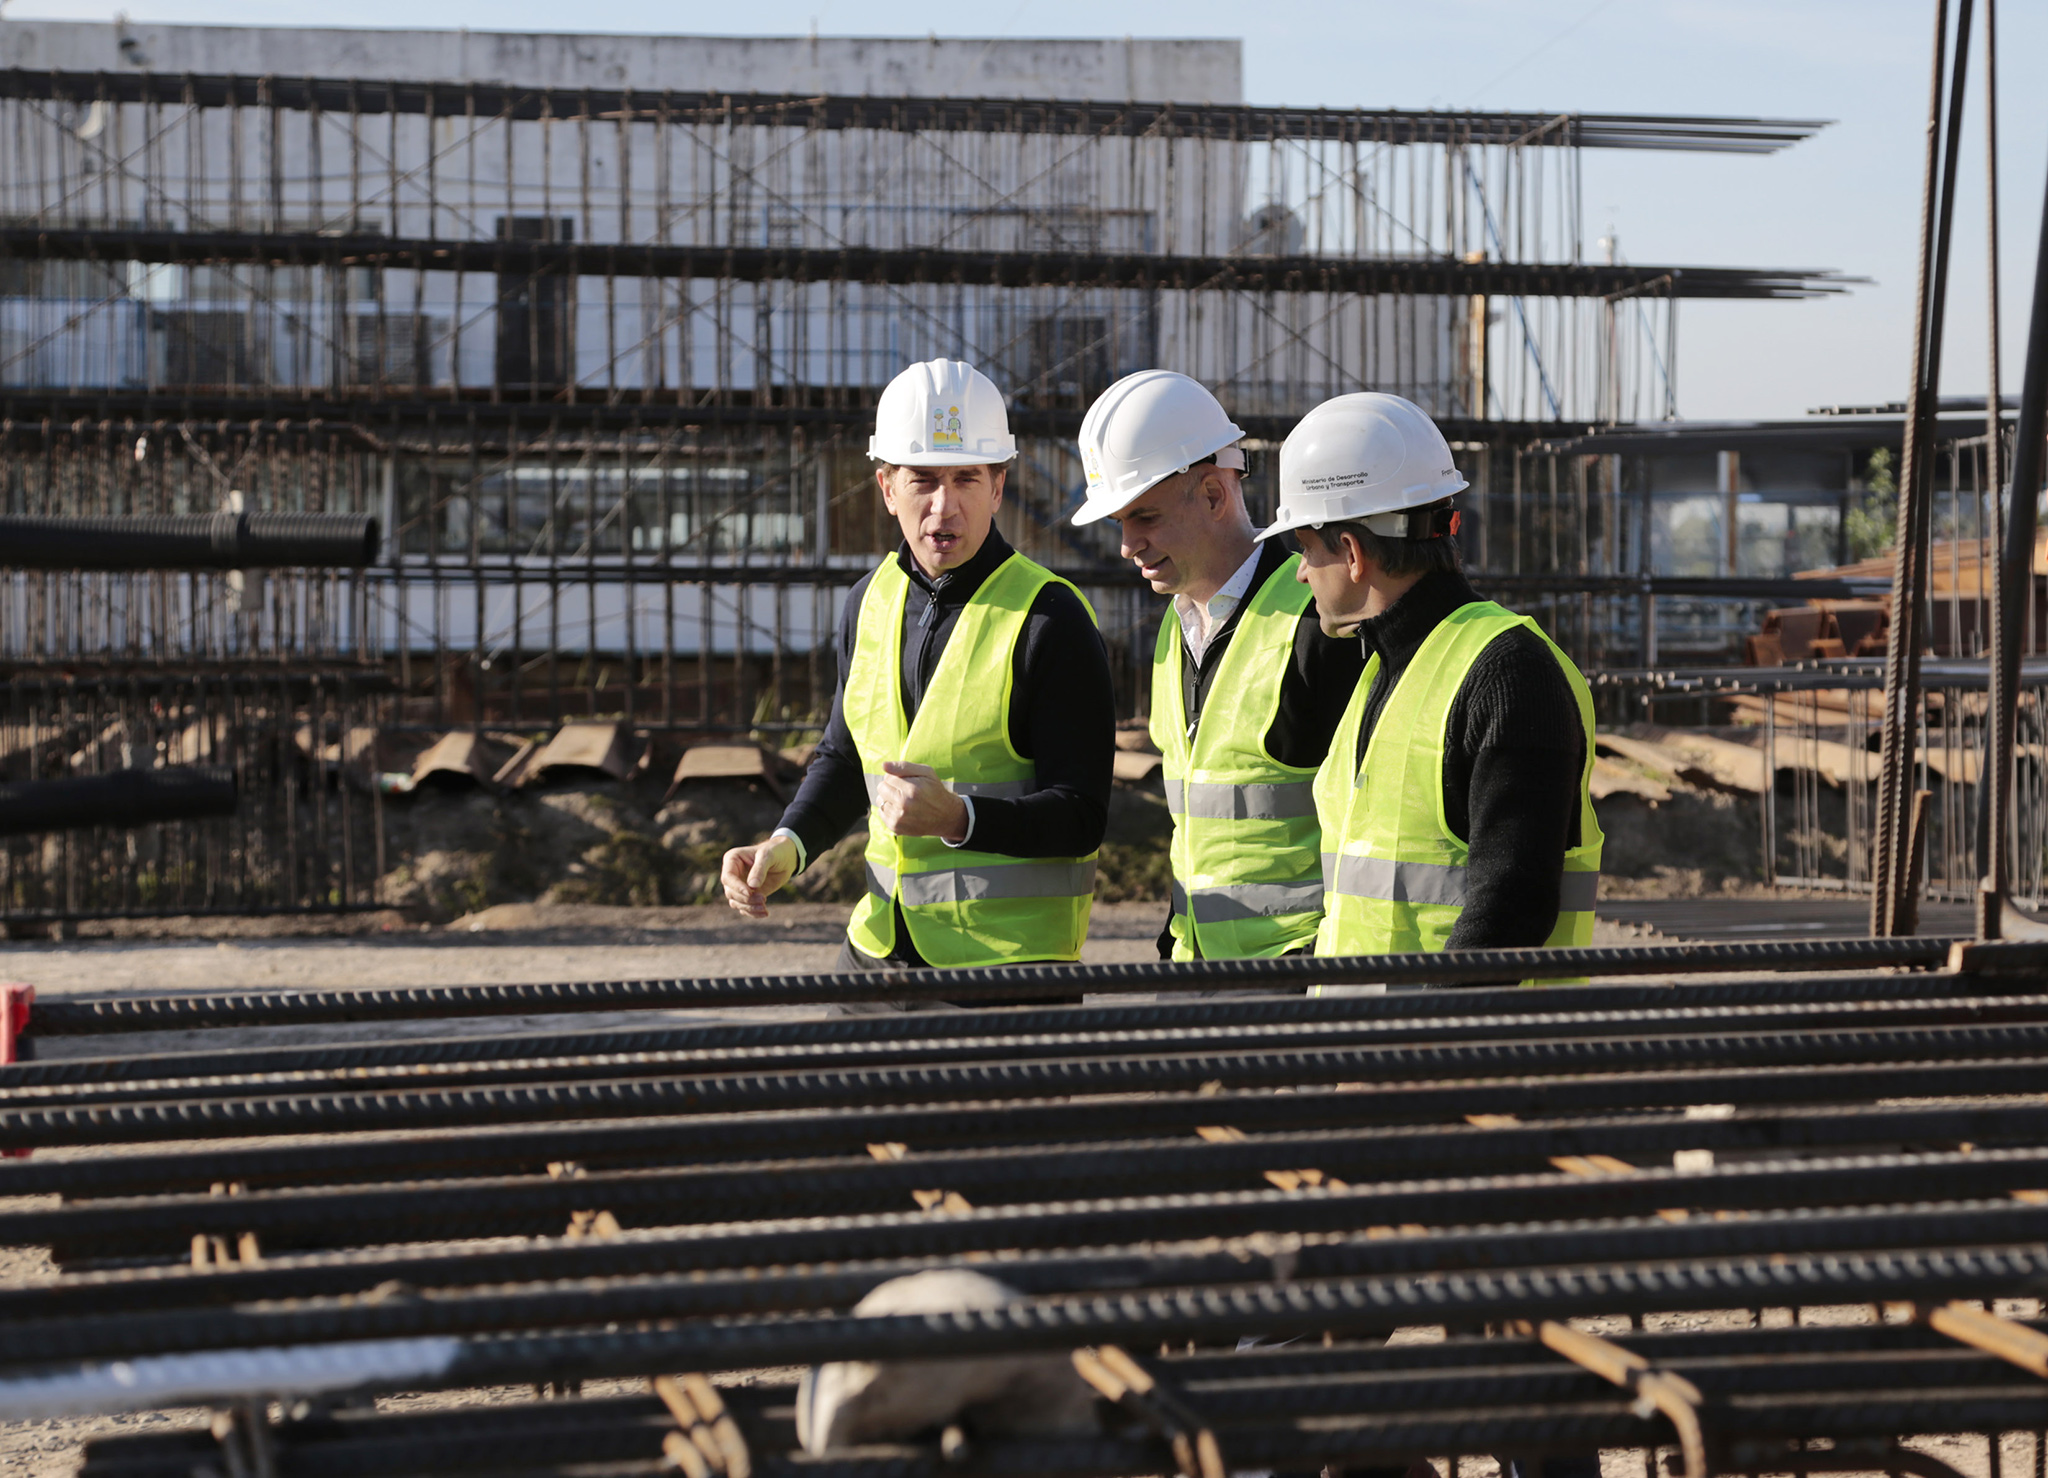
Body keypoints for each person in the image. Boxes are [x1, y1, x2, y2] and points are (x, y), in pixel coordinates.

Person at [720, 358, 1116, 979]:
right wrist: (787, 845)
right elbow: (847, 759)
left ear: (999, 487)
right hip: (877, 949)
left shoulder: (1050, 618)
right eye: (923, 480)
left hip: (1007, 971)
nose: (945, 507)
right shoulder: (868, 601)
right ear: (886, 488)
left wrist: (959, 819)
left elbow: (1082, 816)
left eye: (966, 478)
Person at [1254, 392, 1603, 960]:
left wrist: (1424, 1038)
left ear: (1351, 553)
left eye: (1305, 550)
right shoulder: (1383, 669)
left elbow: (1511, 908)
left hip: (1454, 1045)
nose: (1300, 573)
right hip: (1373, 1035)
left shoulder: (1510, 675)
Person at [1070, 370, 1363, 960]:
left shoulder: (1321, 622)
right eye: (1119, 522)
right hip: (1194, 960)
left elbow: (1369, 826)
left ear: (1212, 493)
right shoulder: (1174, 628)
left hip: (1294, 975)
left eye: (1144, 517)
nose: (1127, 545)